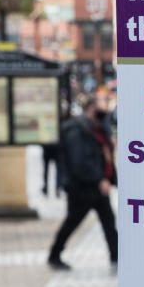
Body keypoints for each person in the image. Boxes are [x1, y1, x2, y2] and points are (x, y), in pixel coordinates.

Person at [47, 96, 118, 270]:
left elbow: (103, 155)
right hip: (83, 187)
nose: (106, 110)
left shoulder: (97, 128)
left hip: (97, 186)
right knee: (73, 221)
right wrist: (99, 179)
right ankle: (54, 254)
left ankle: (116, 255)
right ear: (92, 107)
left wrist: (110, 178)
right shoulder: (77, 129)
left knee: (109, 221)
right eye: (103, 105)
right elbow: (80, 161)